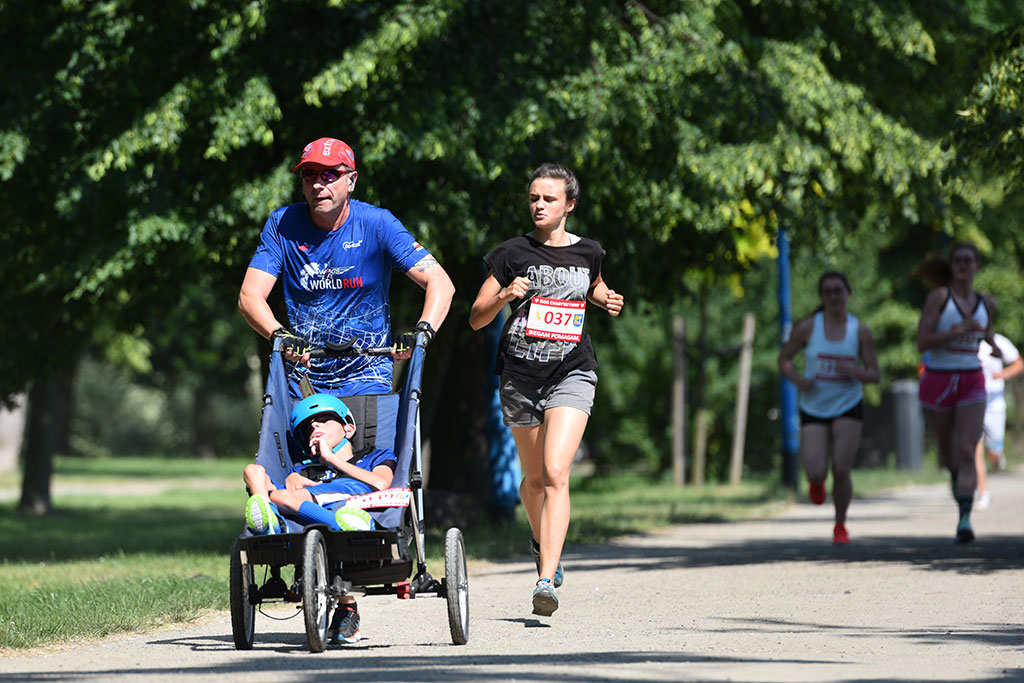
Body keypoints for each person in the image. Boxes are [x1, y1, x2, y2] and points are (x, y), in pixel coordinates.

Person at [469, 163, 624, 617]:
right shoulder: (511, 253)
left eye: (549, 199)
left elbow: (593, 284)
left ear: (569, 205)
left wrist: (604, 297)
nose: (539, 205)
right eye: (534, 198)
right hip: (520, 376)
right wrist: (504, 295)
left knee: (557, 473)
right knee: (534, 481)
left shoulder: (590, 251)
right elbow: (476, 317)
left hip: (572, 371)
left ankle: (545, 580)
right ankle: (541, 541)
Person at [238, 137, 455, 397]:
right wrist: (279, 335)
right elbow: (249, 296)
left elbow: (441, 282)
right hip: (305, 381)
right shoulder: (282, 224)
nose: (318, 184)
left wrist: (422, 332)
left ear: (351, 181)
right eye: (309, 174)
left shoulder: (378, 224)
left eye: (330, 174)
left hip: (368, 375)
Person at [243, 393, 397, 644]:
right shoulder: (305, 468)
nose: (314, 426)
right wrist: (296, 478)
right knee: (253, 471)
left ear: (348, 429)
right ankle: (270, 525)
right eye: (308, 428)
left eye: (324, 420)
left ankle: (345, 524)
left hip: (353, 498)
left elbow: (381, 484)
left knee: (283, 497)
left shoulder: (375, 456)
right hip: (310, 507)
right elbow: (291, 489)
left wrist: (332, 459)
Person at [777, 271, 880, 545]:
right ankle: (816, 483)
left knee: (842, 469)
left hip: (848, 404)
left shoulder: (860, 331)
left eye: (838, 290)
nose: (834, 296)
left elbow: (875, 374)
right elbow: (784, 359)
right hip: (814, 406)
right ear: (821, 296)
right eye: (828, 292)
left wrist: (855, 372)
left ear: (848, 293)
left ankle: (840, 525)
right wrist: (798, 380)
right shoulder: (808, 328)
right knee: (815, 471)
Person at [914, 242, 999, 544]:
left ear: (977, 266)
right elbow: (922, 341)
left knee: (967, 449)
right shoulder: (939, 298)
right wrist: (955, 332)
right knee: (948, 453)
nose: (963, 265)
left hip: (971, 378)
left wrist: (995, 347)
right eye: (958, 260)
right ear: (951, 266)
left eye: (969, 260)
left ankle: (965, 518)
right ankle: (955, 477)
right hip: (939, 378)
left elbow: (987, 336)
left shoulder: (986, 302)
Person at [973, 332, 1022, 509]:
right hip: (973, 402)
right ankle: (983, 492)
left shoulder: (998, 341)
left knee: (994, 452)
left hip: (994, 406)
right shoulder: (967, 341)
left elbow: (1018, 364)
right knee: (975, 449)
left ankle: (996, 457)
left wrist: (1002, 375)